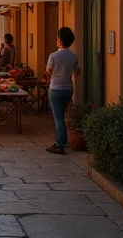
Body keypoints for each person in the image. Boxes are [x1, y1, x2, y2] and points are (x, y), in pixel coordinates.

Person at [45, 27, 82, 155]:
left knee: (58, 118)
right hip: (68, 89)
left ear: (60, 39)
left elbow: (48, 71)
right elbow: (77, 72)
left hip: (56, 89)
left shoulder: (53, 56)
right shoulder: (73, 56)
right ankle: (62, 140)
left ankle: (60, 144)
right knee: (63, 115)